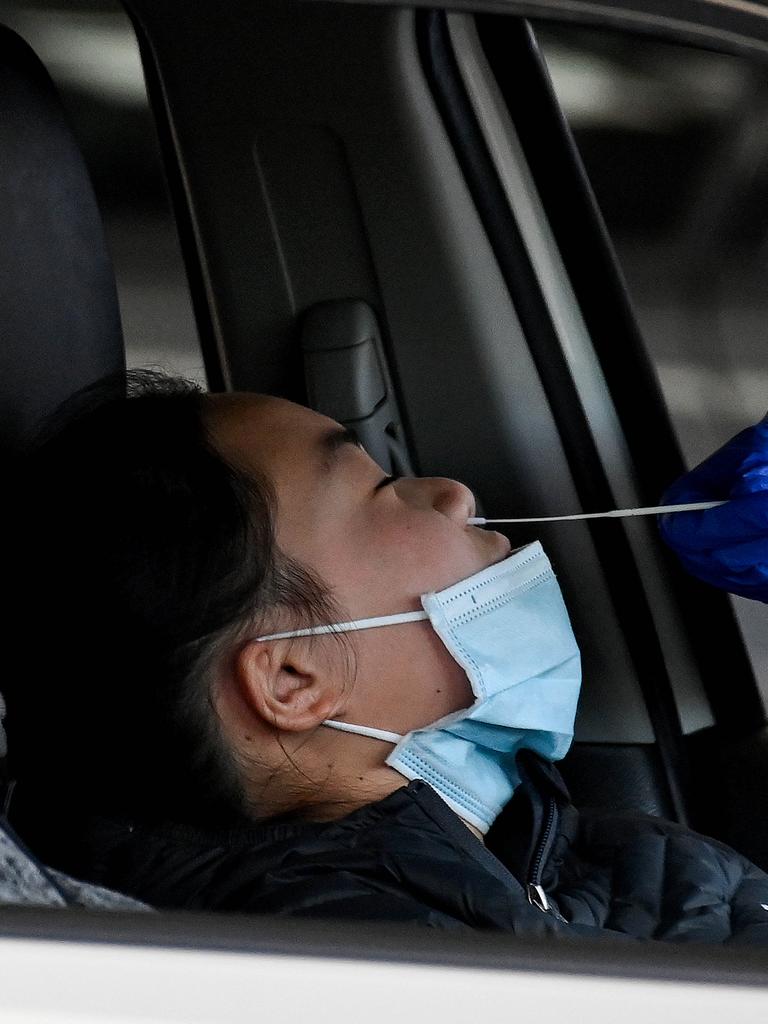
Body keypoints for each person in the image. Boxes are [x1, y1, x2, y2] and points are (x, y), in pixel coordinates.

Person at [4, 370, 768, 943]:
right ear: (294, 676)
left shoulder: (539, 859)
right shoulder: (390, 961)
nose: (453, 494)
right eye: (386, 488)